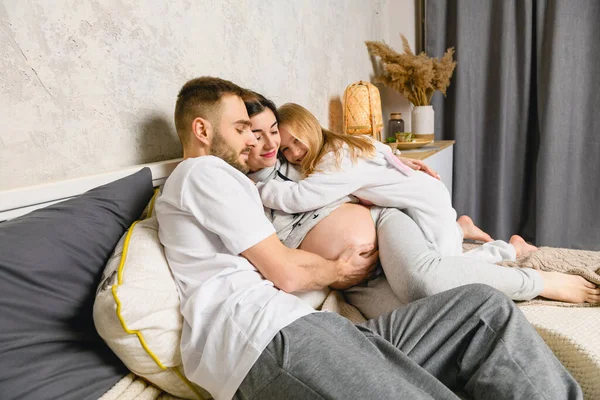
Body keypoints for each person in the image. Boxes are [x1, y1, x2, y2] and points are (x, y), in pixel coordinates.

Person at [155, 76, 583, 400]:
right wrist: (338, 269)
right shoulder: (203, 172)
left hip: (308, 330)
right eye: (241, 128)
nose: (252, 139)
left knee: (484, 310)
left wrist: (393, 161)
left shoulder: (227, 180)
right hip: (269, 342)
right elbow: (284, 271)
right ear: (202, 130)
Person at [253, 101, 600, 308]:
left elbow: (303, 196)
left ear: (308, 128)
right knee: (433, 296)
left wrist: (401, 163)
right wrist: (396, 159)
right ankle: (489, 241)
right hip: (383, 232)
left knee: (433, 273)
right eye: (264, 139)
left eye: (281, 137)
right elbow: (376, 148)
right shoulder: (291, 163)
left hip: (392, 213)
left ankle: (532, 275)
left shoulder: (328, 160)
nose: (284, 149)